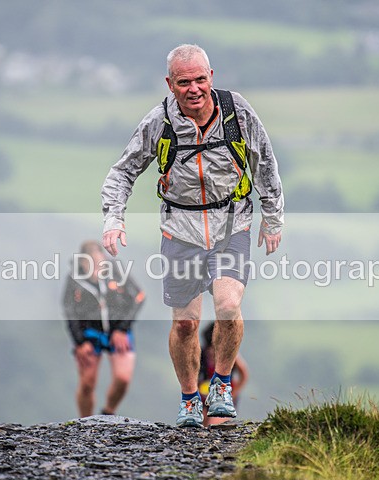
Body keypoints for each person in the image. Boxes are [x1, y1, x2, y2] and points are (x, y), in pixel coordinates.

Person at [101, 44, 284, 428]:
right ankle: (188, 399)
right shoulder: (159, 123)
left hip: (231, 221)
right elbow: (123, 172)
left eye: (201, 79)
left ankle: (220, 386)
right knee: (185, 323)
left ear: (211, 77)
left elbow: (264, 160)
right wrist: (113, 220)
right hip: (179, 229)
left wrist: (273, 217)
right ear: (171, 84)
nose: (194, 89)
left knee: (228, 305)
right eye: (185, 82)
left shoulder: (237, 113)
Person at [62, 240, 145, 418]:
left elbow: (138, 297)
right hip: (89, 333)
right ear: (83, 262)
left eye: (101, 262)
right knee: (87, 383)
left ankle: (108, 412)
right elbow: (69, 311)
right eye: (92, 263)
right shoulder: (74, 278)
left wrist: (122, 329)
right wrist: (80, 342)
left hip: (119, 329)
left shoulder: (116, 271)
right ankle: (84, 422)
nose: (98, 268)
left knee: (123, 378)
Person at [198, 322, 249, 427]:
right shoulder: (201, 355)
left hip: (224, 396)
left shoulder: (231, 354)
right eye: (210, 349)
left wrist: (233, 395)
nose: (212, 353)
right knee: (200, 425)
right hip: (204, 396)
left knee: (214, 424)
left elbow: (244, 374)